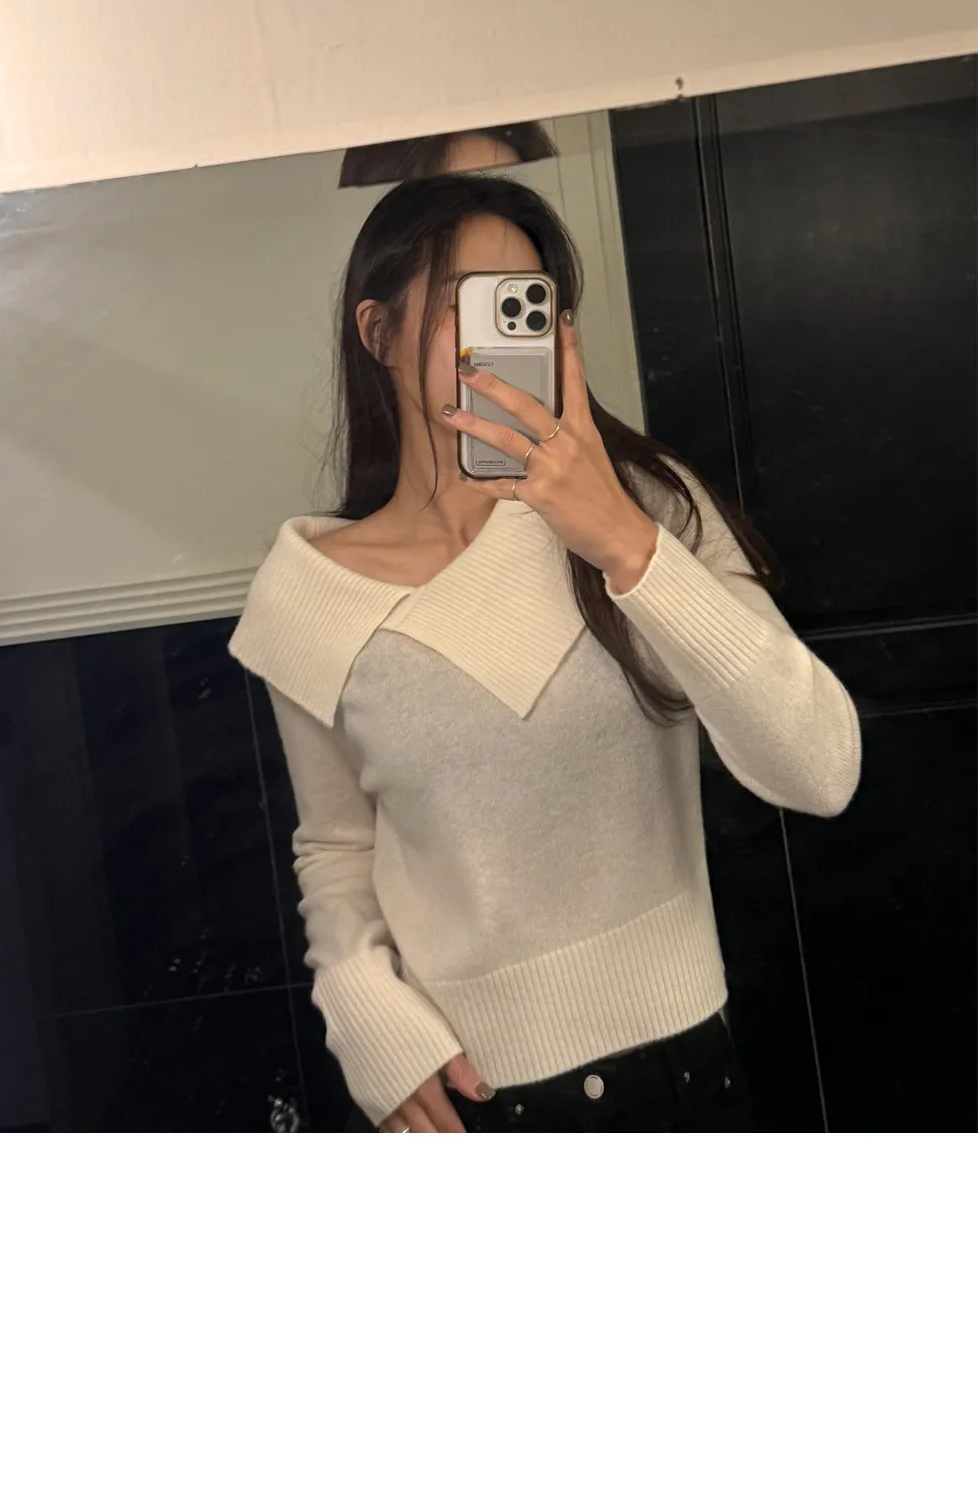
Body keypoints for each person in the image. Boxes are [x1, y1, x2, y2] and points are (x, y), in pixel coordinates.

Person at [231, 168, 861, 1130]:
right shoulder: (312, 589)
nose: (501, 340)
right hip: (473, 1102)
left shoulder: (648, 507)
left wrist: (624, 544)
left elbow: (821, 769)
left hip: (686, 1078)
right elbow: (336, 844)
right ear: (377, 332)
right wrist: (362, 1014)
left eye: (524, 306)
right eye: (466, 305)